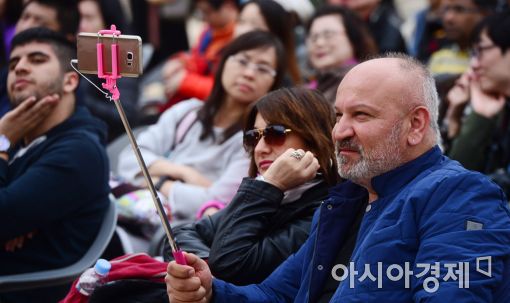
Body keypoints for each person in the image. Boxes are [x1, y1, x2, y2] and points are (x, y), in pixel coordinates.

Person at [165, 53, 510, 302]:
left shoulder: (460, 195)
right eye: (339, 115)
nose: (340, 131)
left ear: (415, 125)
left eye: (361, 115)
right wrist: (210, 291)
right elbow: (274, 293)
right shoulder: (345, 201)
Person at [162, 87, 338, 287]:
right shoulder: (273, 193)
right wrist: (206, 269)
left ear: (314, 141)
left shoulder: (326, 209)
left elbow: (232, 265)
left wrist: (271, 185)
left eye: (275, 134)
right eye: (254, 137)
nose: (261, 148)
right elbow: (178, 237)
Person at [117, 30, 285, 220]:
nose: (248, 74)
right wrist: (184, 173)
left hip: (176, 235)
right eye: (242, 61)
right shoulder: (188, 112)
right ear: (224, 62)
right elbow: (129, 158)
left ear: (274, 82)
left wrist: (156, 181)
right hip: (134, 214)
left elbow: (217, 201)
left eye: (262, 69)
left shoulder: (256, 140)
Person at [0, 27, 110, 302]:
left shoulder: (79, 150)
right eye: (14, 64)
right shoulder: (17, 141)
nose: (20, 68)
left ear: (71, 81)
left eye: (37, 60)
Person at [447, 10, 510, 193]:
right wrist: (473, 117)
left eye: (480, 51)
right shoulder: (498, 106)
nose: (473, 65)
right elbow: (453, 183)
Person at [78, 0, 139, 142]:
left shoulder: (118, 58)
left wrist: (76, 98)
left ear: (106, 21)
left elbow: (125, 115)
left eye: (88, 18)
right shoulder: (69, 52)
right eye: (78, 17)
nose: (81, 25)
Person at [305, 5, 377, 104]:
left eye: (328, 35)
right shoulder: (306, 89)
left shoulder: (366, 82)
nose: (319, 43)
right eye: (313, 38)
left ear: (353, 38)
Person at [234, 0, 302, 85]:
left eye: (256, 27)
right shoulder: (229, 60)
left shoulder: (282, 84)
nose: (243, 31)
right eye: (241, 21)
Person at [427, 0, 497, 76]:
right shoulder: (439, 58)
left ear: (485, 14)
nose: (448, 18)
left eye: (459, 9)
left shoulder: (498, 60)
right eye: (446, 9)